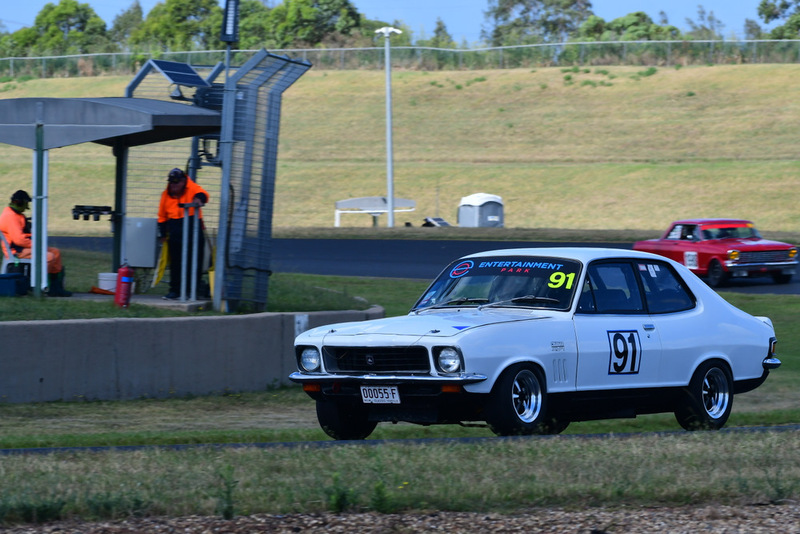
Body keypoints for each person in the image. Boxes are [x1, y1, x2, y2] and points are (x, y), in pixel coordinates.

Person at [0, 190, 71, 297]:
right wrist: (38, 245)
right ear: (19, 203)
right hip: (16, 251)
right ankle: (39, 285)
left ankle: (55, 287)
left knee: (55, 252)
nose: (26, 207)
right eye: (25, 204)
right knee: (49, 257)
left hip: (24, 248)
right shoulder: (10, 217)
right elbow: (19, 240)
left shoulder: (16, 214)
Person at [157, 168, 210, 300]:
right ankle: (175, 290)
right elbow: (162, 217)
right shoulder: (166, 194)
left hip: (193, 226)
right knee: (176, 262)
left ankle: (193, 289)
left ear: (183, 181)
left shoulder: (191, 186)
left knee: (194, 261)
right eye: (171, 183)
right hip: (175, 229)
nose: (173, 186)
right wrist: (162, 234)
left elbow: (204, 194)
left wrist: (198, 199)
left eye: (176, 183)